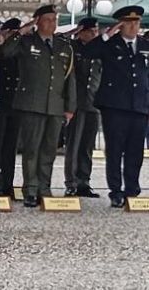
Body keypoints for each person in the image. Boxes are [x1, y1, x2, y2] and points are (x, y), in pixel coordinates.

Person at [0, 4, 76, 207]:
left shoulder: (63, 46)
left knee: (49, 150)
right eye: (47, 19)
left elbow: (69, 78)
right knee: (32, 149)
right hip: (32, 103)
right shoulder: (26, 42)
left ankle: (44, 188)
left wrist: (70, 106)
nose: (52, 23)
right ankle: (30, 189)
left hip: (55, 105)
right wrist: (21, 31)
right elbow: (5, 51)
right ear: (38, 21)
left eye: (54, 20)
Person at [80, 5, 149, 208]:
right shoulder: (110, 44)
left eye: (136, 23)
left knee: (135, 151)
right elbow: (87, 52)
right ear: (120, 25)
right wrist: (106, 35)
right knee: (115, 150)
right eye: (128, 23)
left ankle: (132, 189)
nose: (133, 27)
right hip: (115, 106)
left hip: (139, 105)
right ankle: (116, 191)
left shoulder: (145, 44)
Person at [65, 17, 102, 198]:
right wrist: (73, 32)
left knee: (87, 146)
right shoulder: (73, 48)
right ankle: (71, 183)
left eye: (96, 31)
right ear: (82, 32)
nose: (94, 34)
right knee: (74, 144)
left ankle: (84, 182)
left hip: (94, 103)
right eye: (91, 31)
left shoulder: (100, 49)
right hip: (77, 103)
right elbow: (59, 40)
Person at [0, 18, 23, 198]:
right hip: (0, 102)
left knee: (11, 147)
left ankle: (8, 183)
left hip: (15, 103)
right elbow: (4, 54)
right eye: (13, 33)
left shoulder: (20, 49)